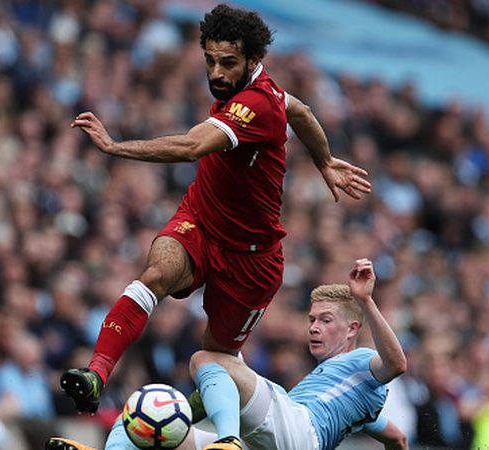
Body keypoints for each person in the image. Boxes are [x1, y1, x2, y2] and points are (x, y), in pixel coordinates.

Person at [61, 5, 371, 449]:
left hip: (252, 261)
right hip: (200, 222)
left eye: (228, 63)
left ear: (252, 59)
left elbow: (191, 146)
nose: (217, 73)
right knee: (155, 276)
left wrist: (114, 146)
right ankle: (96, 374)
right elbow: (299, 111)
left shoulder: (258, 105)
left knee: (215, 361)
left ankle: (199, 441)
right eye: (210, 60)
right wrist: (323, 160)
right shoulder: (268, 94)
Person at [49, 258, 408, 450]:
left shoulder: (361, 362)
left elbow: (396, 363)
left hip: (299, 432)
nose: (313, 327)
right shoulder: (356, 399)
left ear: (352, 329)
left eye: (325, 320)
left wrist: (365, 300)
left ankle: (227, 441)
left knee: (206, 359)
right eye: (312, 319)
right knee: (146, 418)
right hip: (274, 440)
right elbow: (397, 438)